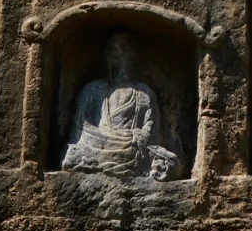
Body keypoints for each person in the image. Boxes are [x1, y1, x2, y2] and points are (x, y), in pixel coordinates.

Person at [62, 31, 181, 180]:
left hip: (131, 149)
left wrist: (137, 137)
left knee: (167, 161)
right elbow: (80, 129)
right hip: (95, 144)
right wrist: (104, 138)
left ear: (133, 56)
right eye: (113, 50)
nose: (119, 55)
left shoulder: (144, 93)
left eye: (124, 50)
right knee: (74, 154)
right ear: (106, 56)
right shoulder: (93, 89)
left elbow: (152, 133)